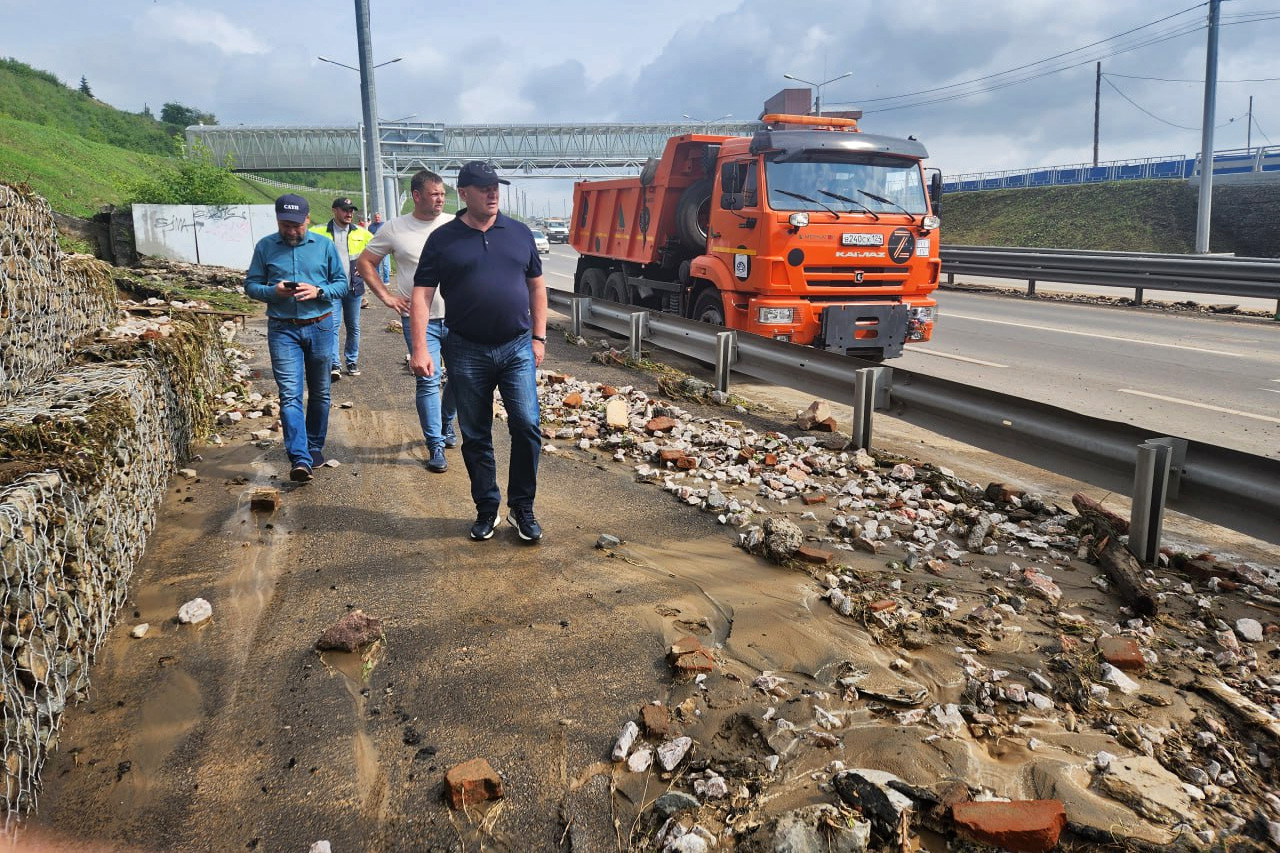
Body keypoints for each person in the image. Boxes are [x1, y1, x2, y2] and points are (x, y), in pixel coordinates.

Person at [411, 161, 547, 543]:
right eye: (484, 187)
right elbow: (422, 294)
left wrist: (539, 338)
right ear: (464, 192)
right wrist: (421, 347)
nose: (492, 193)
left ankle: (522, 508)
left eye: (496, 187)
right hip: (466, 349)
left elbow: (537, 287)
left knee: (526, 425)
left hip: (517, 346)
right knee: (475, 434)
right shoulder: (443, 239)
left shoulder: (519, 233)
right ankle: (487, 508)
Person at [356, 170, 458, 473]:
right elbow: (365, 263)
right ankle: (435, 444)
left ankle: (446, 422)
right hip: (418, 321)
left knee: (461, 380)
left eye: (442, 194)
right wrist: (387, 297)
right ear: (416, 195)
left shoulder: (455, 224)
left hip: (459, 318)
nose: (440, 199)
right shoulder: (394, 229)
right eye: (434, 193)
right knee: (427, 380)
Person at [244, 194, 348, 483]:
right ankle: (299, 458)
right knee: (289, 394)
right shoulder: (265, 246)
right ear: (278, 221)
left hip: (321, 326)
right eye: (285, 225)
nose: (291, 231)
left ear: (308, 220)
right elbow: (250, 285)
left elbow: (343, 284)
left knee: (321, 392)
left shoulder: (324, 246)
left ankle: (314, 446)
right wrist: (272, 292)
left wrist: (319, 292)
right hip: (283, 329)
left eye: (296, 225)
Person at [310, 197, 373, 379]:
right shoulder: (319, 232)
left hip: (354, 288)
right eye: (345, 210)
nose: (349, 213)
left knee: (353, 326)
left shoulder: (361, 233)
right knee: (333, 326)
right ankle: (335, 364)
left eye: (351, 210)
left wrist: (367, 268)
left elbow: (378, 251)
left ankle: (351, 361)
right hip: (332, 289)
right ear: (335, 210)